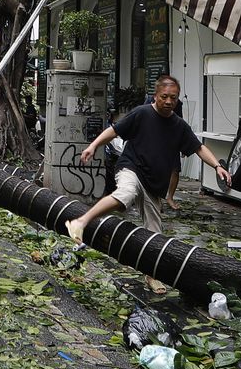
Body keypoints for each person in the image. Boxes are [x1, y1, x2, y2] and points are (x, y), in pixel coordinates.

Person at [66, 75, 232, 293]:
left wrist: (217, 167)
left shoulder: (179, 126)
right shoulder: (141, 113)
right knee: (126, 193)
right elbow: (114, 130)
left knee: (155, 236)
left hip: (155, 185)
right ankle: (80, 222)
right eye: (164, 96)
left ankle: (151, 276)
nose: (168, 101)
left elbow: (198, 148)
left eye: (173, 97)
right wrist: (93, 145)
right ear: (155, 96)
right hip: (131, 168)